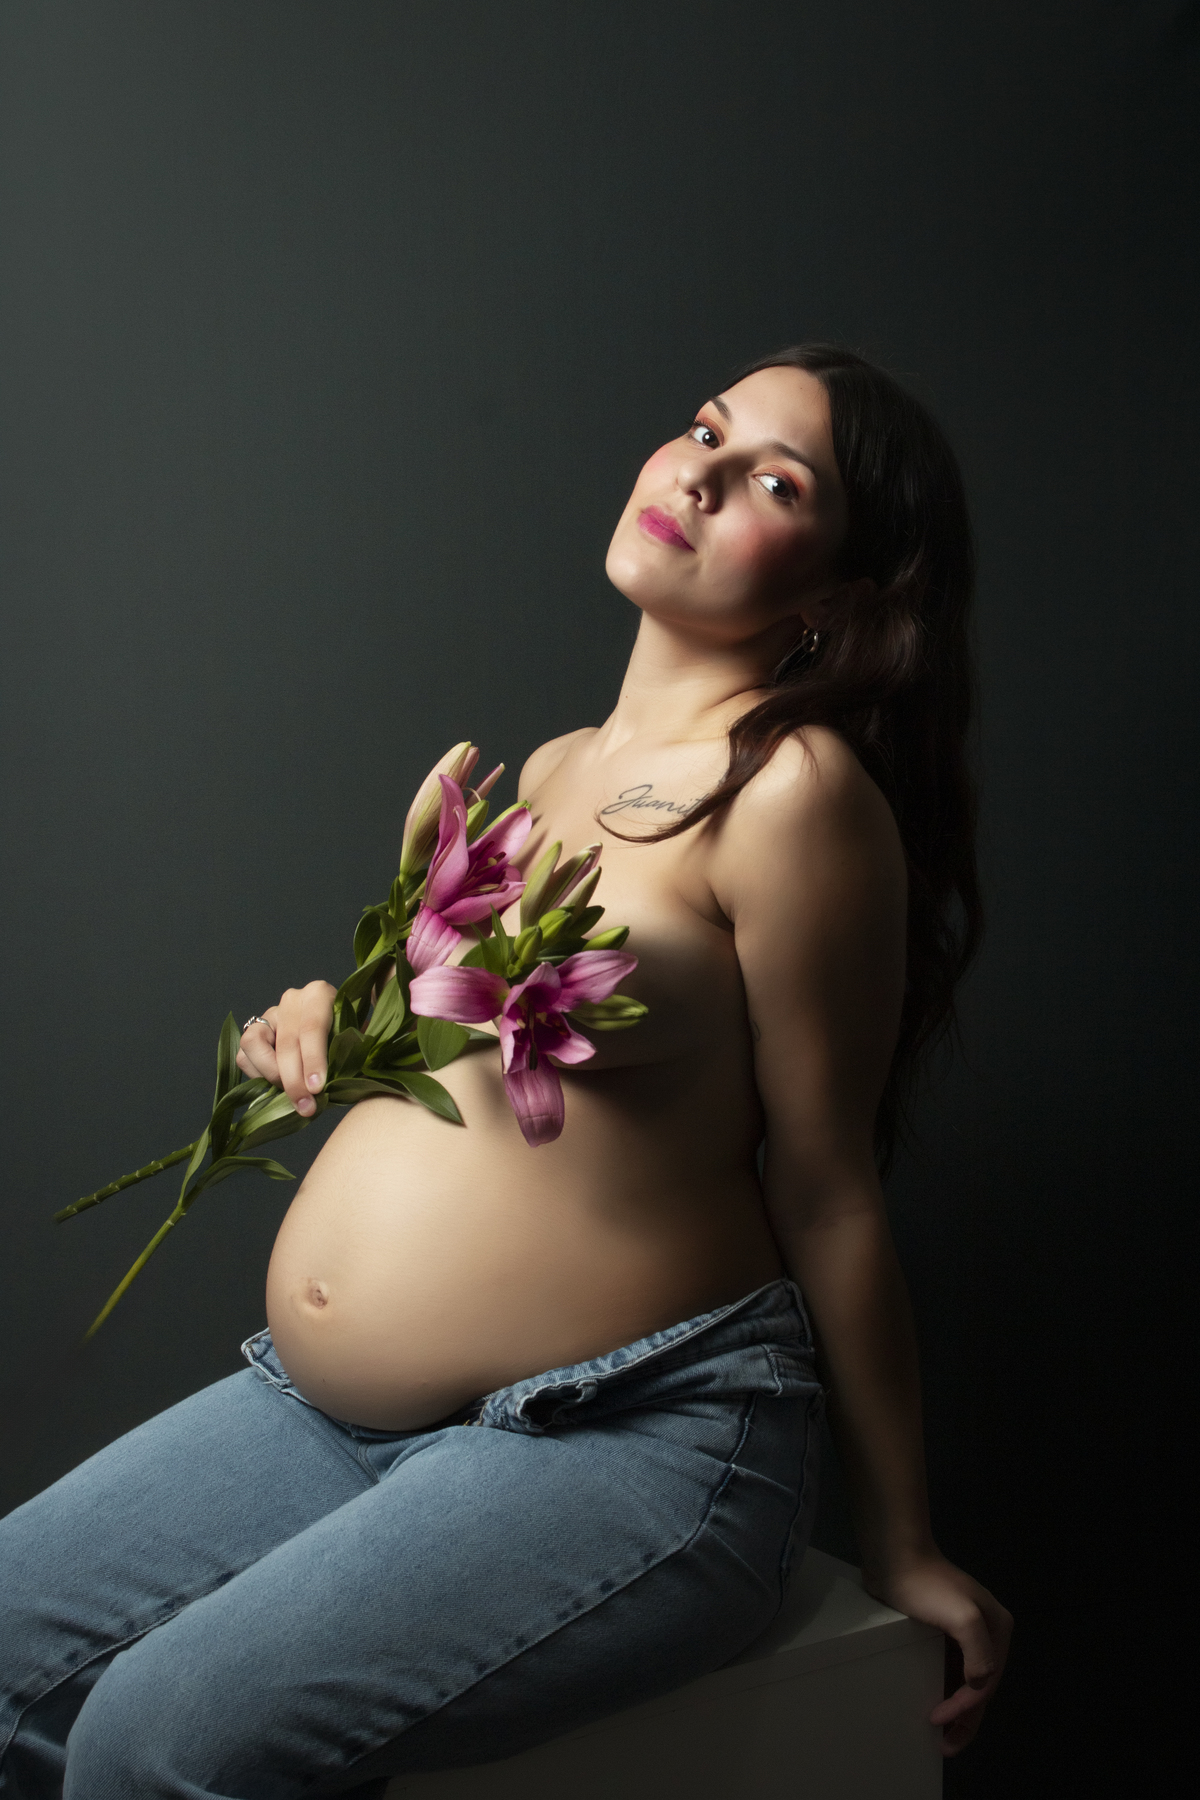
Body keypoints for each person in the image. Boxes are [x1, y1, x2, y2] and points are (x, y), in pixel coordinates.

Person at [0, 344, 1012, 1797]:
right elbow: (495, 1096)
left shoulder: (791, 799)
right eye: (706, 429)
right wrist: (337, 1031)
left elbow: (828, 1183)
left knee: (148, 1745)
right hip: (331, 1416)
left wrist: (905, 1539)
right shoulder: (547, 772)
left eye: (774, 481)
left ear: (841, 600)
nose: (702, 471)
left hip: (629, 1435)